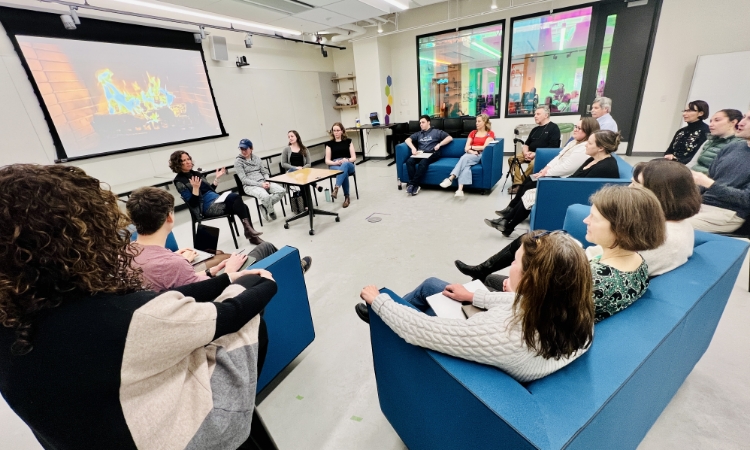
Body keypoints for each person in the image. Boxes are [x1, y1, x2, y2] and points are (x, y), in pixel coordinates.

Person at [0, 164, 277, 449]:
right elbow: (228, 314)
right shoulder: (121, 318)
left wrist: (223, 278)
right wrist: (257, 283)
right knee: (250, 319)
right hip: (166, 437)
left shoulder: (15, 321)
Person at [356, 231, 595, 382]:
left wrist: (380, 302)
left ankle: (376, 318)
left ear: (531, 281)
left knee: (398, 304)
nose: (510, 265)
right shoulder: (574, 309)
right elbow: (520, 303)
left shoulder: (502, 334)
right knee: (432, 285)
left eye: (514, 261)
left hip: (481, 356)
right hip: (512, 343)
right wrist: (473, 297)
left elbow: (420, 329)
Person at [460, 160, 698, 283]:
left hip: (575, 273)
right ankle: (482, 271)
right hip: (589, 258)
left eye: (636, 186)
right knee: (531, 238)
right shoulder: (668, 223)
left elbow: (598, 270)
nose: (629, 189)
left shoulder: (664, 239)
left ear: (659, 194)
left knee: (525, 251)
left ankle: (483, 275)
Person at [126, 187, 311, 292]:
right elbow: (203, 292)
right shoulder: (174, 264)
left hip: (188, 284)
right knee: (266, 248)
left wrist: (211, 271)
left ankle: (294, 270)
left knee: (218, 252)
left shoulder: (125, 253)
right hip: (219, 294)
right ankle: (294, 272)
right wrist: (228, 272)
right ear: (169, 217)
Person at [486, 130, 621, 237]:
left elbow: (584, 188)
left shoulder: (606, 167)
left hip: (576, 196)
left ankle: (507, 224)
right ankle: (507, 224)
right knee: (530, 190)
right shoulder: (593, 159)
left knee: (532, 193)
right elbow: (575, 178)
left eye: (590, 143)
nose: (586, 144)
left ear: (601, 148)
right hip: (569, 187)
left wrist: (554, 185)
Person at [491, 117, 599, 221]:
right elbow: (558, 156)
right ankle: (511, 206)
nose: (575, 129)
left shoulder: (582, 147)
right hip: (548, 168)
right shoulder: (573, 142)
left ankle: (510, 214)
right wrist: (545, 169)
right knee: (528, 178)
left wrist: (545, 172)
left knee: (530, 182)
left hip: (560, 177)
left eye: (579, 128)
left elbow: (566, 167)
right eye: (576, 126)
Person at [170, 150, 263, 245]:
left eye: (188, 159)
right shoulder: (179, 181)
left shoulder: (196, 174)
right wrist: (195, 189)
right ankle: (251, 235)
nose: (188, 162)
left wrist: (217, 178)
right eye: (183, 160)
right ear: (177, 164)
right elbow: (193, 203)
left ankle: (251, 234)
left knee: (242, 205)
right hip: (206, 208)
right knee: (237, 199)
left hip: (217, 199)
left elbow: (209, 190)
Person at [689, 110, 750, 233]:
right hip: (703, 204)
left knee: (668, 227)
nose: (741, 123)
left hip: (729, 213)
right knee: (650, 216)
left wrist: (710, 184)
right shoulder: (733, 147)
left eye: (749, 119)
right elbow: (710, 177)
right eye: (744, 117)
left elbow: (746, 200)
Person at [507, 106, 561, 193]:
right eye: (535, 114)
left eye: (538, 114)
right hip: (529, 152)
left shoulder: (554, 128)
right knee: (512, 159)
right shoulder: (535, 129)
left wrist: (535, 154)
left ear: (546, 115)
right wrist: (525, 153)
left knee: (533, 164)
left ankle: (521, 183)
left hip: (542, 155)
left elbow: (553, 147)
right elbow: (526, 144)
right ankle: (518, 183)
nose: (535, 116)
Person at [439, 113, 495, 196]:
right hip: (471, 153)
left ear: (485, 122)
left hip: (480, 155)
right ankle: (460, 190)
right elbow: (466, 148)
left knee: (464, 158)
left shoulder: (490, 133)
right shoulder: (473, 133)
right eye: (476, 121)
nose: (476, 123)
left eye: (479, 121)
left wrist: (472, 147)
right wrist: (472, 151)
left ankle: (451, 178)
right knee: (466, 166)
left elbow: (484, 147)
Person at [235, 138, 286, 222]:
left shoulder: (257, 159)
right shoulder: (238, 162)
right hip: (250, 186)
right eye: (241, 149)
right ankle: (271, 211)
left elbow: (264, 172)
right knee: (265, 196)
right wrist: (260, 185)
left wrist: (267, 181)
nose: (243, 151)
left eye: (245, 149)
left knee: (282, 191)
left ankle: (264, 206)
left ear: (251, 148)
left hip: (263, 182)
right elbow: (244, 180)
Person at [404, 115, 453, 196]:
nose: (421, 124)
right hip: (420, 153)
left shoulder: (436, 132)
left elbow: (449, 138)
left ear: (428, 122)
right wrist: (413, 148)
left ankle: (412, 184)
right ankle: (415, 185)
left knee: (423, 163)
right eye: (420, 123)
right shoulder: (419, 133)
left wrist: (439, 144)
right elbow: (407, 140)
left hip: (432, 153)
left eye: (423, 122)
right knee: (409, 161)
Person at [687, 109, 744, 174]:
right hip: (692, 178)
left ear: (733, 122)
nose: (711, 125)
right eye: (711, 121)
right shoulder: (710, 141)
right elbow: (692, 163)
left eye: (717, 120)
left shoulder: (739, 145)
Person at [325, 122, 357, 208]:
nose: (336, 132)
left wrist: (347, 160)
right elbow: (327, 161)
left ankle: (336, 187)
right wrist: (335, 162)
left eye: (338, 130)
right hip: (335, 164)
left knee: (345, 166)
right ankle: (347, 197)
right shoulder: (329, 144)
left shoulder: (348, 141)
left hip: (348, 163)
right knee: (343, 171)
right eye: (334, 130)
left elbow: (354, 158)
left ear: (342, 131)